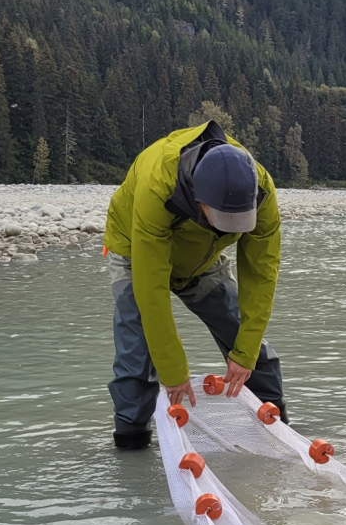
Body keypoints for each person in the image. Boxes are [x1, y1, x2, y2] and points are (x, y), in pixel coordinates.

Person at [103, 120, 285, 449]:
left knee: (255, 352)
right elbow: (152, 289)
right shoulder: (158, 186)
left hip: (203, 260)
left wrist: (243, 354)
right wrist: (174, 370)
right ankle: (131, 447)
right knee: (137, 361)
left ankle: (280, 433)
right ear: (199, 201)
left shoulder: (261, 190)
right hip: (136, 253)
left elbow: (261, 273)